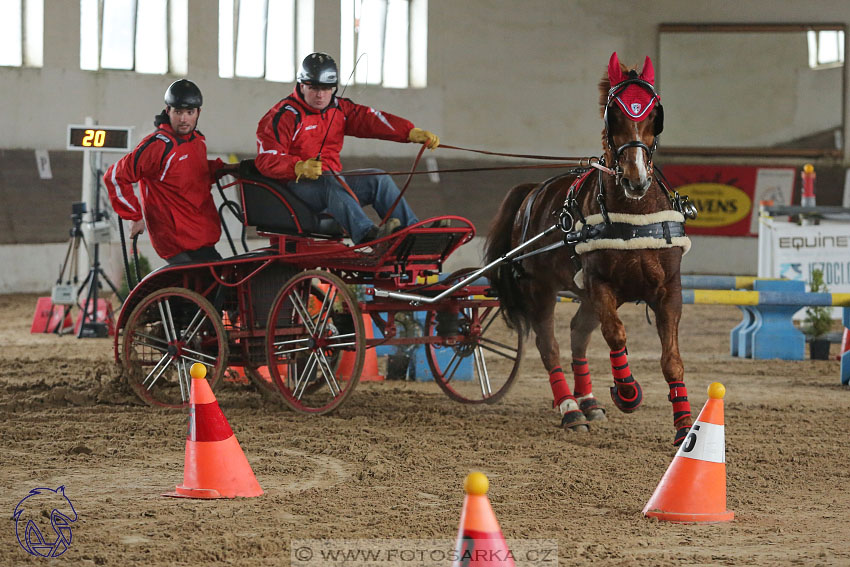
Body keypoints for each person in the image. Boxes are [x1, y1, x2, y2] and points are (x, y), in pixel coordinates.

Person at [254, 52, 441, 244]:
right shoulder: (283, 116)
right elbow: (265, 160)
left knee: (377, 178)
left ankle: (411, 233)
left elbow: (371, 119)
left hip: (333, 182)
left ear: (334, 89)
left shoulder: (340, 109)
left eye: (326, 89)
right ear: (302, 85)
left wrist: (409, 132)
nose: (320, 94)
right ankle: (369, 235)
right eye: (314, 87)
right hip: (295, 189)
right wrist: (298, 167)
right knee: (330, 181)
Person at [104, 79, 227, 264]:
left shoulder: (197, 140)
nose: (183, 118)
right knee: (210, 288)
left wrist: (227, 169)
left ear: (198, 113)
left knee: (227, 283)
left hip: (201, 233)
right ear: (168, 111)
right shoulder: (158, 146)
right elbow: (115, 176)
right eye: (178, 112)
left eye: (189, 112)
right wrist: (134, 216)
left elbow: (193, 173)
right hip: (177, 240)